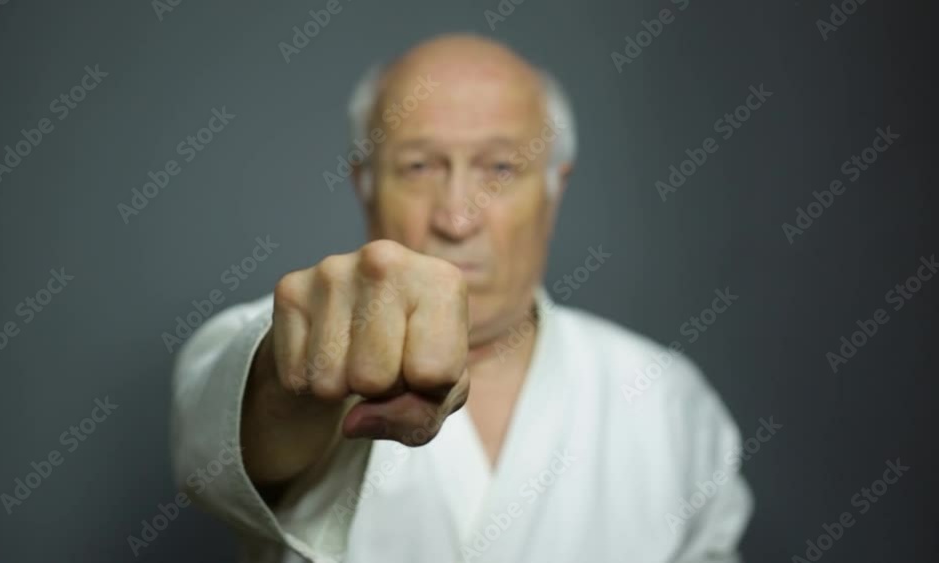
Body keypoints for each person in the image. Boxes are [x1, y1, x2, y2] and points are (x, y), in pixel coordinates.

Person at [171, 33, 752, 563]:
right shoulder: (275, 336)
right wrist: (292, 381)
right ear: (364, 186)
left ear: (554, 189)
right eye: (419, 166)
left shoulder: (667, 400)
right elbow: (224, 444)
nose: (457, 217)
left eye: (499, 167)